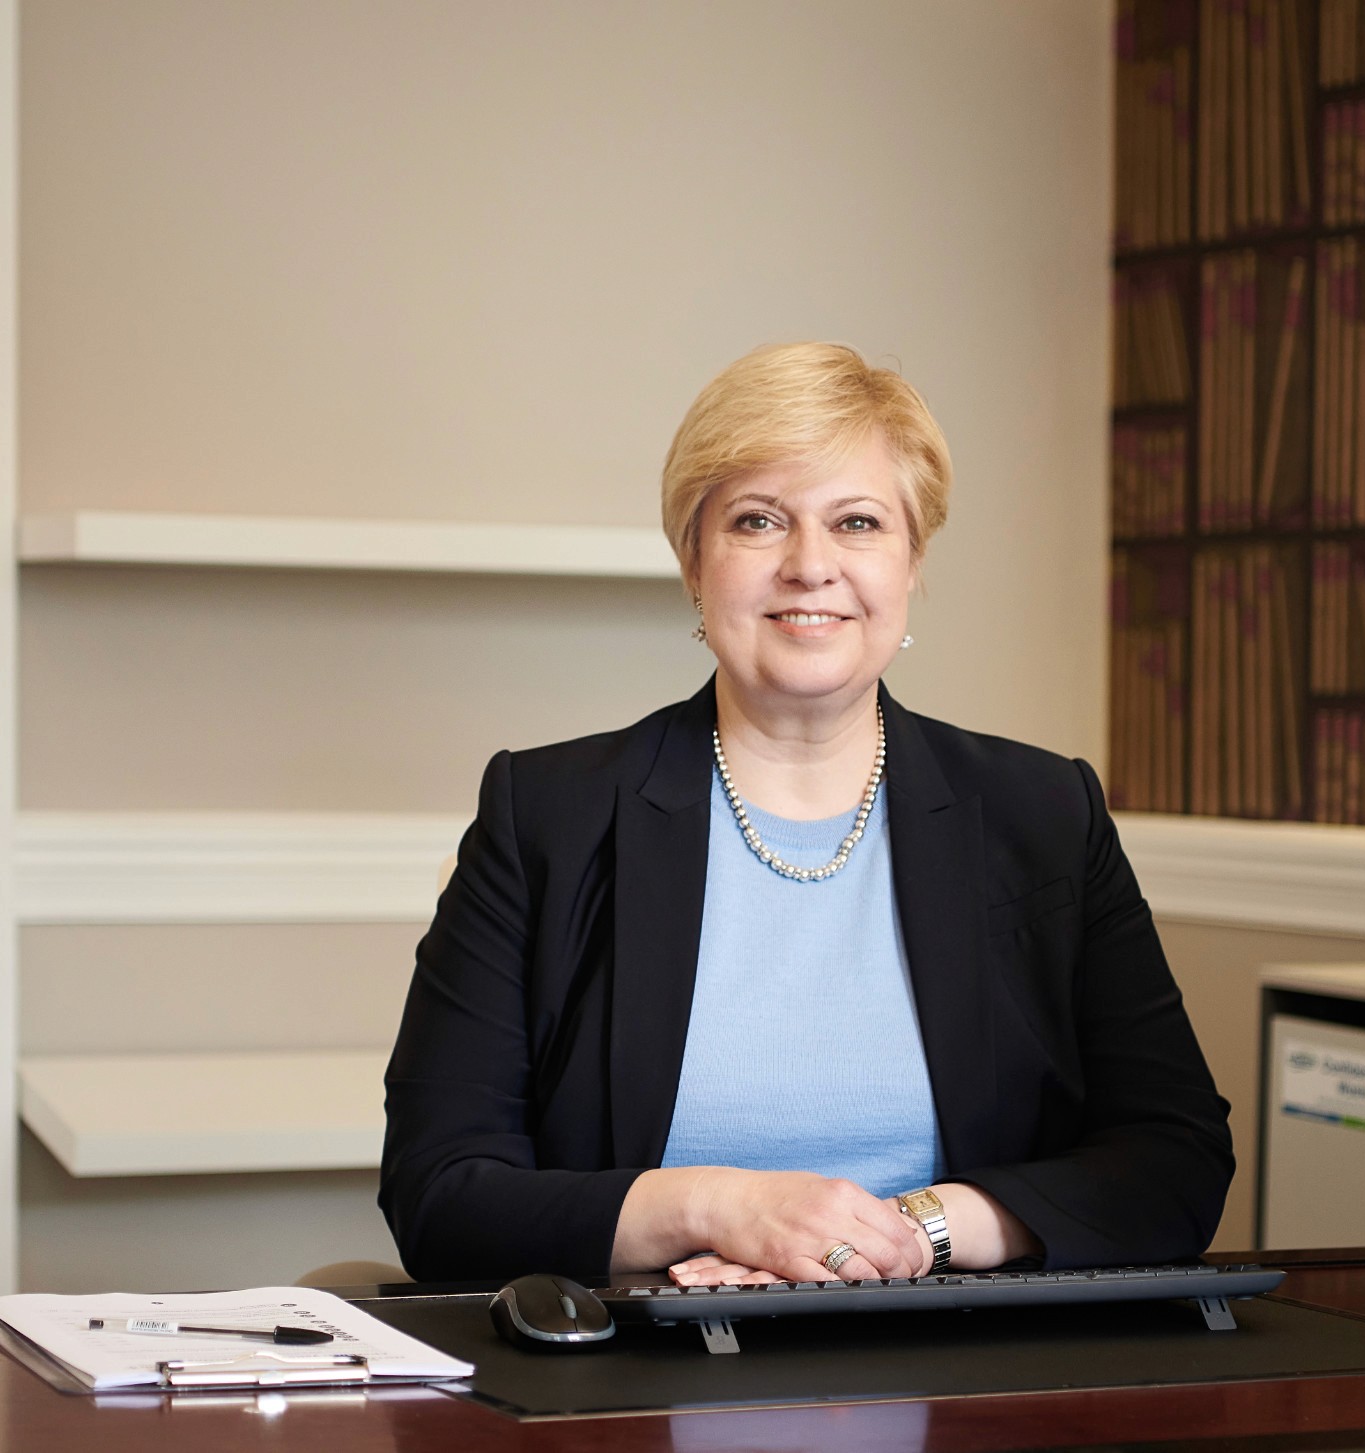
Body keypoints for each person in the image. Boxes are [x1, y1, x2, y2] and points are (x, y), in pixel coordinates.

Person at [380, 342, 1233, 1287]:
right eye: (758, 521)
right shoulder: (546, 815)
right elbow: (439, 1190)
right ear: (694, 564)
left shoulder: (1045, 813)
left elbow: (1176, 1158)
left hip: (969, 1384)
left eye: (858, 522)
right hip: (634, 1385)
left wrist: (913, 1232)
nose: (810, 565)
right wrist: (720, 1210)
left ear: (912, 563)